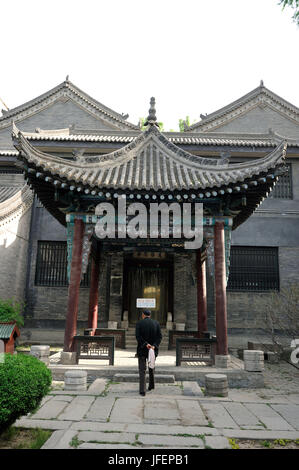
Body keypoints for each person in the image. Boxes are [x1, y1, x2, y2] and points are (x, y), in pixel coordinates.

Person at [135, 309, 162, 396]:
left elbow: (138, 337)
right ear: (150, 315)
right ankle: (151, 385)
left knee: (142, 370)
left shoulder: (139, 323)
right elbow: (159, 337)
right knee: (151, 367)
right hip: (153, 350)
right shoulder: (156, 323)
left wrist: (145, 344)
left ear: (143, 315)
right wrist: (154, 345)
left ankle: (142, 390)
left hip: (142, 349)